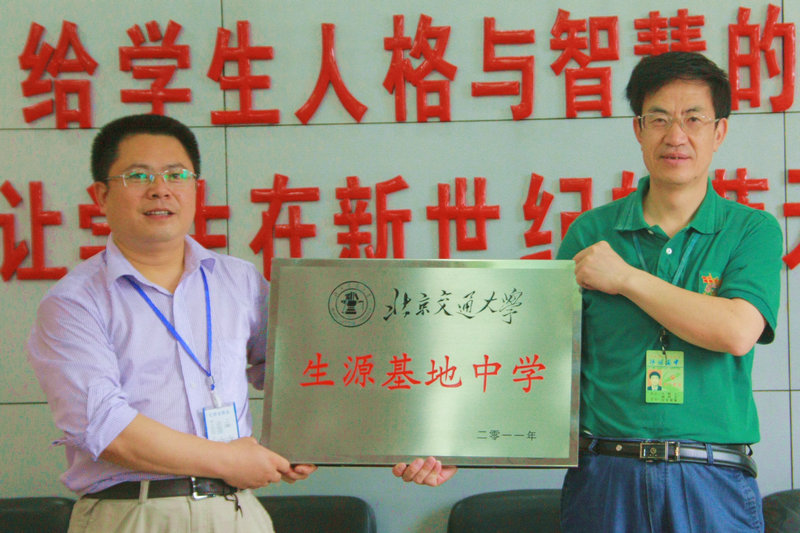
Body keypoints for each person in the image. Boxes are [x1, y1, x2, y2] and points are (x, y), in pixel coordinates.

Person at [27, 114, 444, 533]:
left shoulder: (238, 280)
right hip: (134, 514)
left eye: (176, 174)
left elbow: (312, 376)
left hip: (236, 511)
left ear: (196, 188)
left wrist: (419, 440)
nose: (160, 189)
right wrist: (231, 460)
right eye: (138, 175)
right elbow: (107, 428)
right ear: (101, 195)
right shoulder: (73, 303)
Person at [557, 51, 782, 532]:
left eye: (693, 119)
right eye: (659, 119)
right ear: (638, 129)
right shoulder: (590, 233)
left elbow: (737, 331)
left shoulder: (752, 230)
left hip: (712, 478)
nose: (675, 136)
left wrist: (625, 279)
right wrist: (460, 444)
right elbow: (541, 357)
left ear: (719, 132)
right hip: (605, 474)